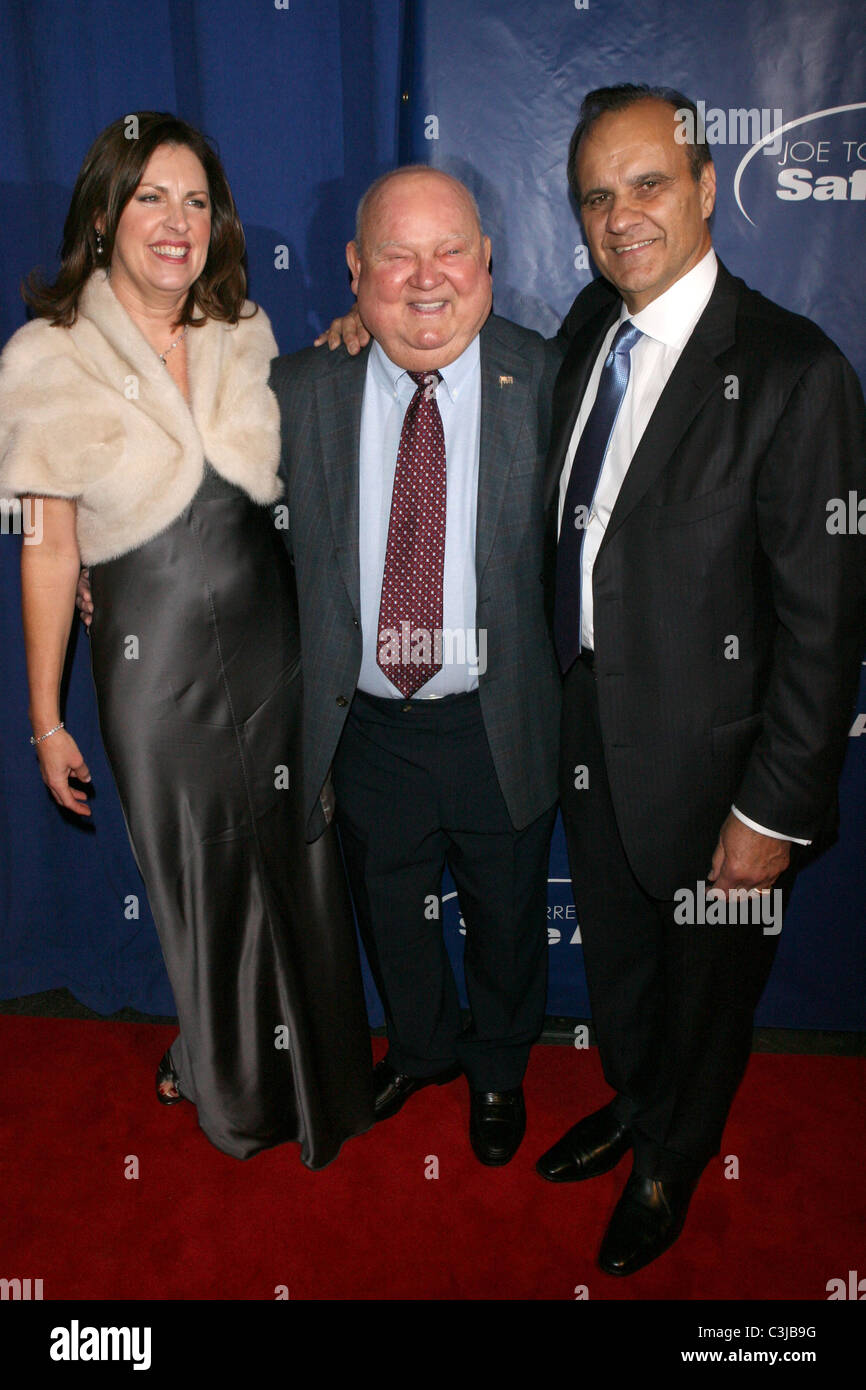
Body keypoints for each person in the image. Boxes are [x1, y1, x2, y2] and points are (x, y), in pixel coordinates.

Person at [0, 112, 373, 1164]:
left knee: (299, 859)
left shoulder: (241, 326)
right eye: (151, 197)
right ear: (105, 213)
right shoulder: (45, 354)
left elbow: (286, 455)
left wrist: (340, 338)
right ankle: (233, 1084)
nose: (177, 221)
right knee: (199, 879)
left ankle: (324, 1076)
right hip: (150, 667)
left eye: (197, 200)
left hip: (273, 640)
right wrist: (42, 718)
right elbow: (45, 550)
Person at [537, 85, 866, 1274]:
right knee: (622, 971)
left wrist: (770, 811)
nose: (619, 216)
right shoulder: (588, 325)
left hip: (726, 777)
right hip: (593, 735)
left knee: (707, 991)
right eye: (594, 196)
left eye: (646, 184)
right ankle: (635, 1101)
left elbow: (823, 626)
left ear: (704, 186)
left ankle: (672, 1161)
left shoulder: (792, 369)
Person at [270, 166, 562, 1166]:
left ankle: (495, 1070)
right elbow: (209, 508)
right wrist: (106, 571)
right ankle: (425, 1045)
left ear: (488, 263)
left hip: (499, 717)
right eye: (396, 253)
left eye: (450, 251)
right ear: (355, 270)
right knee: (388, 908)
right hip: (367, 728)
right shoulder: (299, 390)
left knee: (508, 914)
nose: (425, 277)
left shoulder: (550, 380)